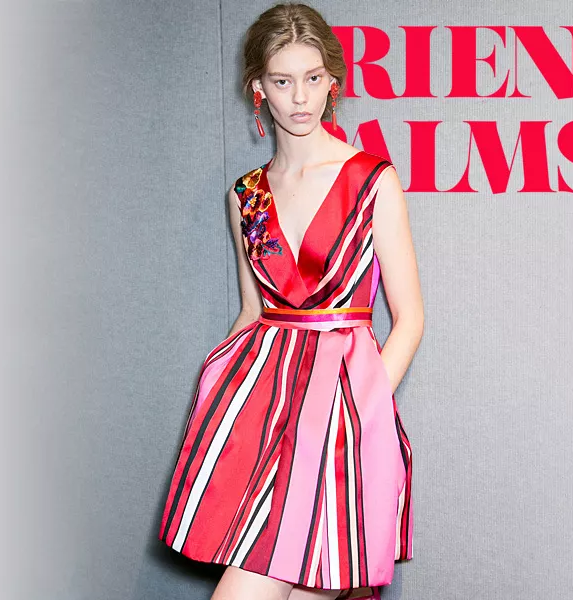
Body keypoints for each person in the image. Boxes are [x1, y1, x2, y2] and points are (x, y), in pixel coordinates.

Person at [158, 4, 424, 599]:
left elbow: (410, 319)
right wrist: (218, 397)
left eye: (313, 78)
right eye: (282, 80)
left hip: (344, 416)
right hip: (264, 414)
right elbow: (253, 314)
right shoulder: (246, 196)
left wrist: (358, 412)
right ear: (258, 88)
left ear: (333, 82)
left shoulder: (372, 180)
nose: (301, 98)